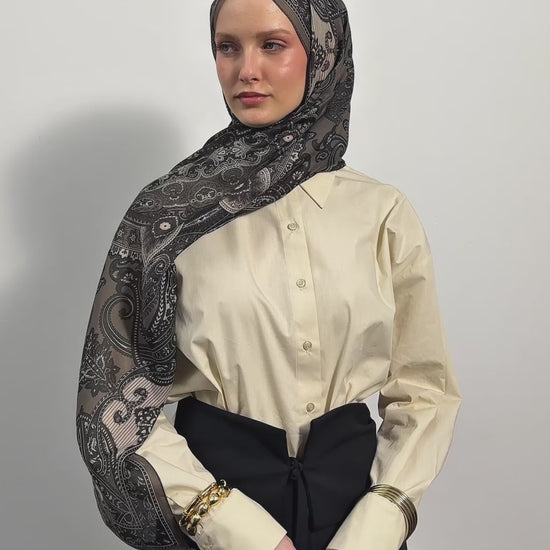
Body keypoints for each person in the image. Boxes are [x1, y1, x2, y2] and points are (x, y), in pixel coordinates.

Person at [76, 1, 461, 550]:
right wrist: (228, 524)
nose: (246, 70)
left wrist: (380, 522)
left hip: (360, 514)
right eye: (227, 47)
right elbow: (116, 405)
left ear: (323, 55)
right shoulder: (166, 219)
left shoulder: (382, 213)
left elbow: (425, 390)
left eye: (272, 45)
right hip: (216, 512)